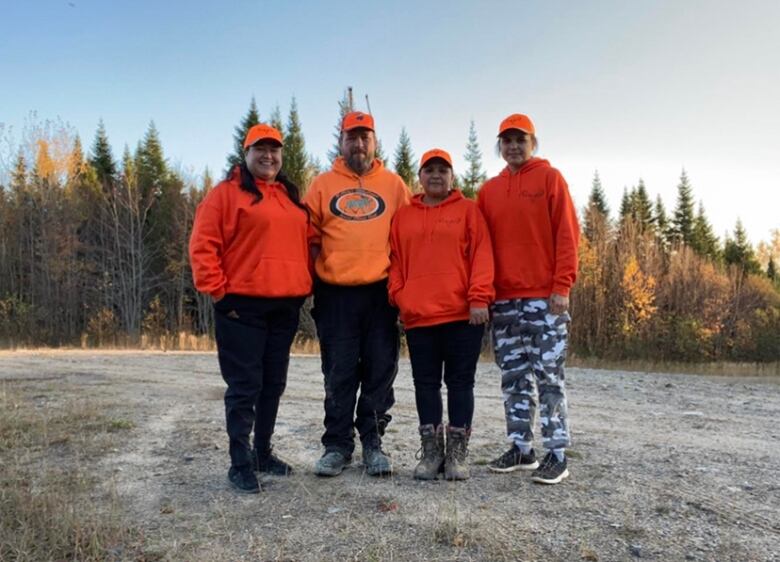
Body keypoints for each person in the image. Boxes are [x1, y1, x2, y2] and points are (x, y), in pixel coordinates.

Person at [189, 124, 311, 494]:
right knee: (245, 386)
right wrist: (219, 294)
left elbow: (308, 241)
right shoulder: (225, 195)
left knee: (273, 383)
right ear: (246, 153)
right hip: (241, 305)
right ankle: (239, 462)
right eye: (260, 149)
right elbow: (203, 245)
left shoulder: (289, 196)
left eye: (274, 150)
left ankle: (262, 453)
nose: (268, 156)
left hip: (285, 305)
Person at [305, 111, 410, 477]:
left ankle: (373, 443)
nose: (359, 143)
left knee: (381, 371)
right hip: (335, 295)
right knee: (338, 372)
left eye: (365, 136)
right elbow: (310, 238)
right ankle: (337, 446)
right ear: (341, 141)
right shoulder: (321, 185)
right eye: (352, 136)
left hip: (381, 294)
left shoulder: (395, 186)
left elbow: (408, 240)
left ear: (375, 141)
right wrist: (319, 279)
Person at [477, 114, 580, 485]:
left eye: (520, 139)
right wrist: (486, 294)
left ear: (532, 143)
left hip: (544, 300)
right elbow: (481, 248)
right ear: (499, 146)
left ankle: (557, 454)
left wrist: (562, 287)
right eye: (506, 140)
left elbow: (568, 236)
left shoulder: (550, 179)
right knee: (514, 378)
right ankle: (522, 448)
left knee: (549, 377)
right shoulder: (489, 191)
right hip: (504, 301)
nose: (513, 146)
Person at [388, 148, 494, 481]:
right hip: (420, 318)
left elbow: (482, 257)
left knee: (461, 384)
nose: (436, 175)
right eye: (429, 169)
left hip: (463, 316)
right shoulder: (403, 216)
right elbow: (395, 264)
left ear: (452, 176)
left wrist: (479, 299)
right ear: (419, 177)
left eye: (443, 170)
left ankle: (457, 454)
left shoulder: (469, 211)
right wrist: (402, 299)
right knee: (425, 385)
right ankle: (432, 454)